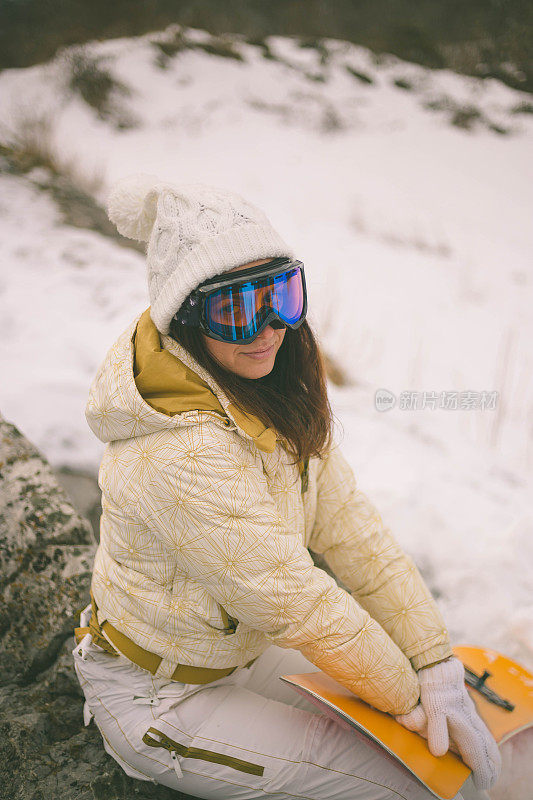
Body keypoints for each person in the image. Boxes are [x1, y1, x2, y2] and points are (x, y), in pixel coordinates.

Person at [72, 174, 501, 800]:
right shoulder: (180, 452)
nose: (270, 327)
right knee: (409, 784)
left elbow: (351, 527)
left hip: (241, 656)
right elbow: (299, 602)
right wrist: (413, 699)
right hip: (160, 696)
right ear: (186, 318)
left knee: (426, 751)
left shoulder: (267, 392)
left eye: (282, 295)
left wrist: (434, 662)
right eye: (238, 309)